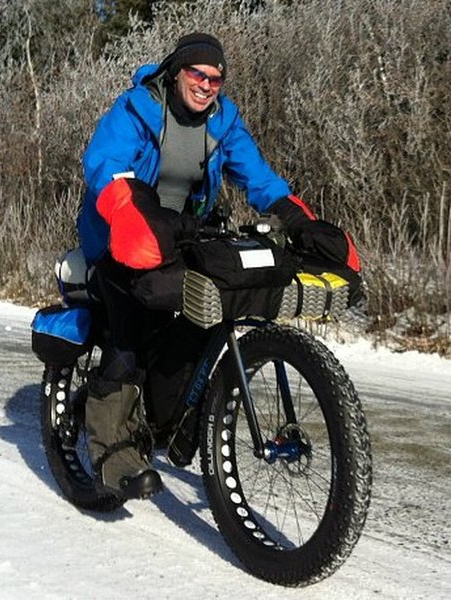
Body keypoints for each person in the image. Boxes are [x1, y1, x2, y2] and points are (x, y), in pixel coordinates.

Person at [76, 33, 357, 500]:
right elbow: (105, 163)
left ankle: (174, 414)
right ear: (176, 71)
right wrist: (128, 211)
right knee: (129, 330)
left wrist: (298, 219)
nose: (207, 85)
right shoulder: (139, 108)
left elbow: (258, 177)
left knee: (206, 311)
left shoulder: (223, 122)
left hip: (184, 234)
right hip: (118, 233)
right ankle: (111, 452)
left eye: (216, 78)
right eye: (198, 74)